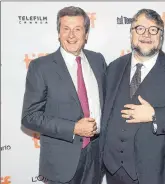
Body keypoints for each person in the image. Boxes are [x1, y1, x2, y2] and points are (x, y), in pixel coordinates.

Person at [99, 8, 165, 184]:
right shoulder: (113, 67)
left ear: (161, 35)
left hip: (159, 172)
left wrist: (155, 115)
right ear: (131, 33)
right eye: (140, 28)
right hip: (114, 171)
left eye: (153, 29)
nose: (146, 34)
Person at [21, 6, 106, 184]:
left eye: (77, 29)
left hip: (96, 157)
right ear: (58, 33)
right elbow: (30, 117)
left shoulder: (98, 60)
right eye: (65, 29)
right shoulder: (41, 67)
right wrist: (74, 128)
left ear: (86, 34)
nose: (71, 35)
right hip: (60, 162)